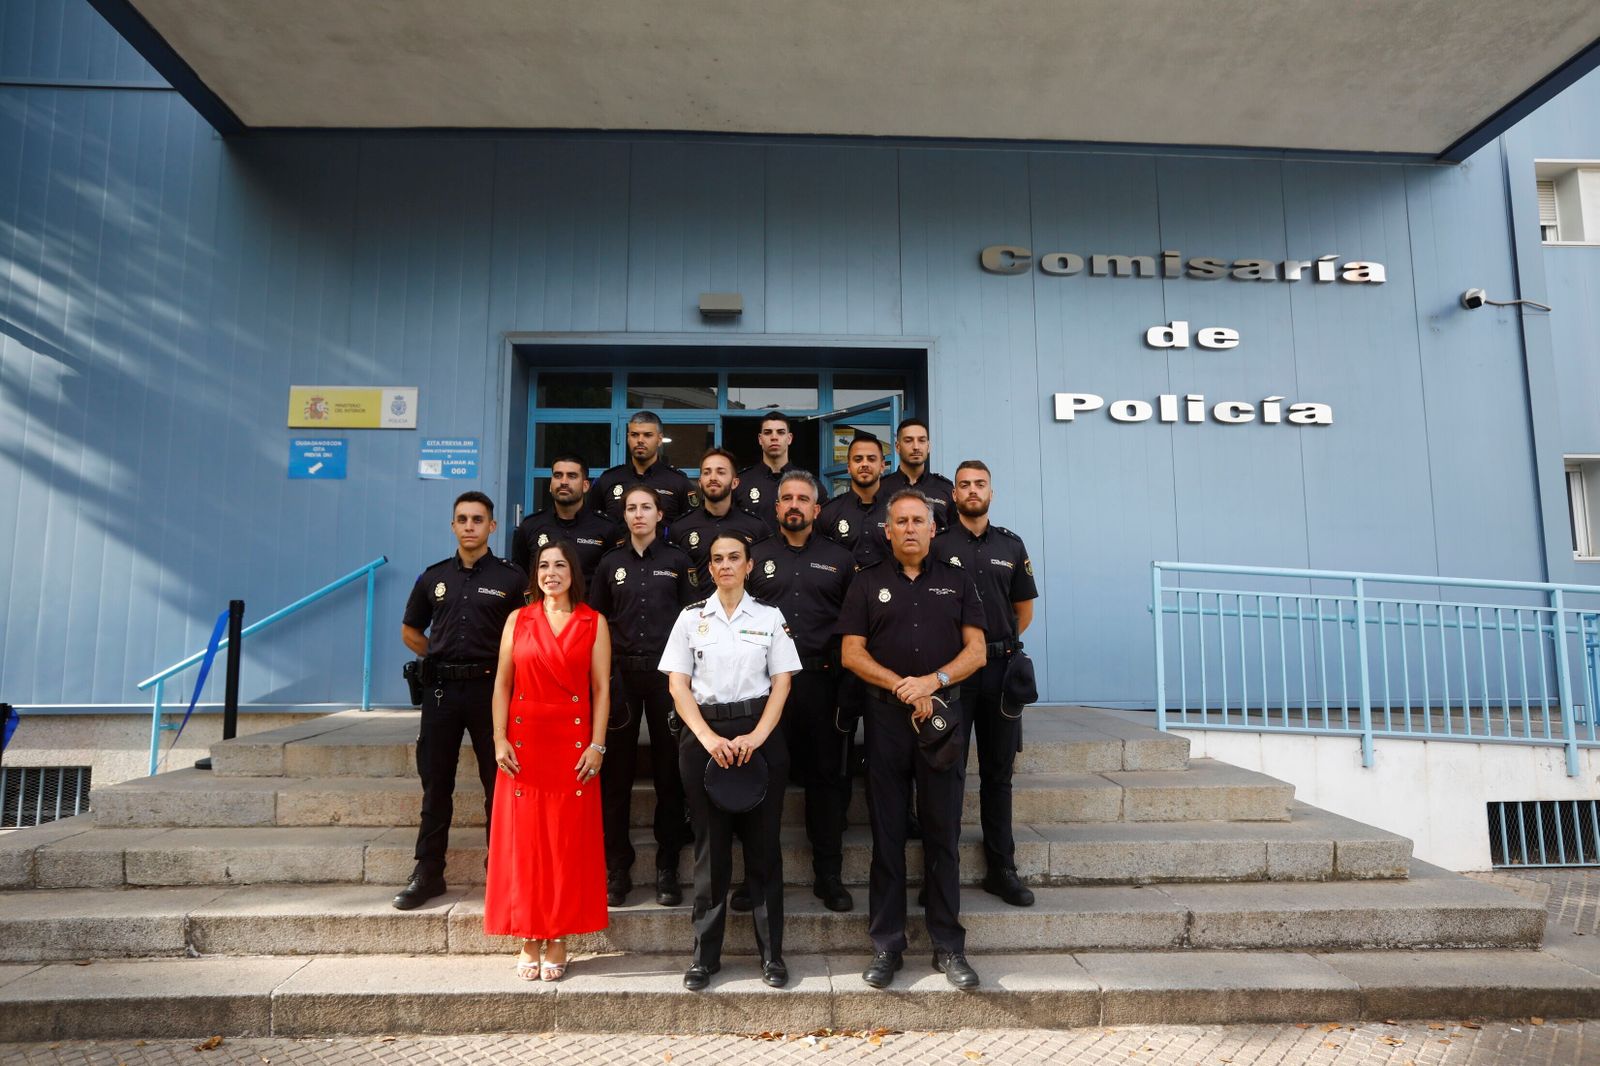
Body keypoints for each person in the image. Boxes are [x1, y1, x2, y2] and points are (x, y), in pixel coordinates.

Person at [837, 489, 987, 990]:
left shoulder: (958, 581)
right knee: (887, 836)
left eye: (917, 521)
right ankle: (887, 946)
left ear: (932, 528)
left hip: (943, 719)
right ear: (887, 530)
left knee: (944, 835)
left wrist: (933, 683)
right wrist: (901, 685)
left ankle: (949, 946)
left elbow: (978, 652)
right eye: (899, 521)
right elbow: (852, 654)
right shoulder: (866, 584)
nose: (908, 529)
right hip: (886, 723)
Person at [660, 533, 801, 991]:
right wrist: (706, 737)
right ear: (710, 568)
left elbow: (781, 683)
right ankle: (705, 958)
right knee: (710, 852)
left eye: (733, 558)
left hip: (760, 736)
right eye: (717, 559)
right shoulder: (690, 619)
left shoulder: (770, 617)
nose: (724, 565)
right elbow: (679, 686)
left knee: (764, 851)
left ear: (749, 565)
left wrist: (758, 736)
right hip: (704, 739)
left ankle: (772, 956)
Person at [484, 539, 612, 980]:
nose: (551, 572)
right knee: (526, 843)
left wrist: (597, 745)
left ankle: (558, 936)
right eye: (543, 565)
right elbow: (502, 683)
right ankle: (528, 935)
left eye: (560, 565)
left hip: (573, 747)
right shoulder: (518, 619)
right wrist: (500, 739)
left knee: (564, 843)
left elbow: (600, 690)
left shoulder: (593, 622)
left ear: (574, 573)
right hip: (523, 745)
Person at [396, 491, 527, 910]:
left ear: (492, 526)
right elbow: (411, 630)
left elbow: (527, 633)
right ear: (453, 525)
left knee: (499, 783)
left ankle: (500, 872)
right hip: (441, 693)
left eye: (478, 519)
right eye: (462, 519)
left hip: (492, 692)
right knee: (436, 784)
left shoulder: (513, 578)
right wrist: (436, 655)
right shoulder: (432, 577)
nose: (469, 525)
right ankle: (428, 872)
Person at [930, 460, 1040, 907]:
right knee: (946, 774)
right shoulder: (937, 545)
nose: (972, 491)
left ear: (991, 492)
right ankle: (941, 873)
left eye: (980, 484)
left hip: (999, 671)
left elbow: (1023, 612)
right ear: (952, 495)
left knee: (997, 774)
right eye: (964, 485)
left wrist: (996, 647)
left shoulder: (1011, 546)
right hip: (952, 674)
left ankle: (1002, 869)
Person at [749, 470, 857, 911]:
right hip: (765, 685)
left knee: (825, 781)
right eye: (786, 498)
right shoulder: (753, 557)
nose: (794, 505)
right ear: (776, 508)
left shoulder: (841, 559)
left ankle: (827, 875)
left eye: (803, 499)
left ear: (817, 509)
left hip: (821, 682)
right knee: (762, 779)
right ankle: (755, 877)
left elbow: (855, 626)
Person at [589, 484, 697, 908]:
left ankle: (667, 866)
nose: (638, 514)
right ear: (625, 515)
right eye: (631, 508)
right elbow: (596, 623)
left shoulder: (678, 562)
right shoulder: (608, 564)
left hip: (667, 679)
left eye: (645, 507)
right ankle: (618, 867)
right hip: (620, 679)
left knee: (671, 775)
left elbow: (693, 621)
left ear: (659, 515)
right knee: (615, 777)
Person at [510, 453, 621, 584]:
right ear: (551, 485)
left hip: (589, 603)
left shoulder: (606, 527)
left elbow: (614, 579)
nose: (563, 482)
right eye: (558, 476)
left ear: (585, 486)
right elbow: (520, 578)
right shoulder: (530, 526)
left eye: (572, 476)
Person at [669, 448, 768, 587]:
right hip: (696, 608)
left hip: (742, 607)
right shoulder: (680, 528)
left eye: (720, 472)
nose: (713, 478)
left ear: (735, 483)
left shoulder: (756, 527)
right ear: (700, 482)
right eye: (707, 472)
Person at [588, 411, 698, 523]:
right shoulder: (608, 479)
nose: (640, 440)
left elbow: (691, 526)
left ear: (659, 440)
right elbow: (592, 524)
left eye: (647, 435)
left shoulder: (677, 481)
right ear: (628, 438)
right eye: (634, 435)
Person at [819, 432, 890, 570]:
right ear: (848, 467)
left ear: (882, 466)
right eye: (858, 459)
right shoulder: (829, 512)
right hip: (845, 591)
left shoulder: (898, 511)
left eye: (871, 459)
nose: (864, 464)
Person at [878, 417, 955, 530]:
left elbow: (956, 533)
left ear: (928, 446)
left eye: (921, 440)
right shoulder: (881, 488)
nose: (916, 447)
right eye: (909, 440)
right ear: (898, 447)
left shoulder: (945, 488)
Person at [734, 413, 798, 533]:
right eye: (768, 432)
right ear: (760, 439)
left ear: (789, 438)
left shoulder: (808, 483)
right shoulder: (740, 483)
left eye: (780, 432)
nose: (774, 437)